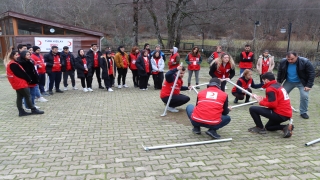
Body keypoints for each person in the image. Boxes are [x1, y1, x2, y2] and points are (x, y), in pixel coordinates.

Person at [249, 72, 293, 138]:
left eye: (263, 81)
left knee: (252, 109)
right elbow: (272, 100)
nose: (263, 82)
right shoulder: (278, 85)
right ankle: (285, 127)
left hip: (280, 114)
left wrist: (261, 102)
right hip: (286, 114)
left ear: (266, 80)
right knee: (269, 127)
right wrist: (260, 98)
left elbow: (272, 104)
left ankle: (260, 128)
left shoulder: (270, 88)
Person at [277, 51, 315, 119]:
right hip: (289, 81)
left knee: (304, 96)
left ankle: (303, 112)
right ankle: (281, 109)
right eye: (288, 59)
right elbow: (280, 71)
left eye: (292, 59)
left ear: (296, 57)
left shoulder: (305, 62)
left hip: (301, 82)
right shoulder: (283, 61)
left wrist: (309, 85)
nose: (290, 61)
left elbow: (311, 73)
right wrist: (278, 81)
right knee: (281, 94)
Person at [6, 50, 44, 116]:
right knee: (27, 96)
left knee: (20, 97)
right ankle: (33, 109)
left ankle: (21, 111)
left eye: (18, 54)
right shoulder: (13, 64)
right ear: (12, 56)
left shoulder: (14, 63)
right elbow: (21, 74)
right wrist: (28, 79)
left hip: (18, 83)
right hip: (20, 83)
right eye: (16, 55)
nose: (18, 56)